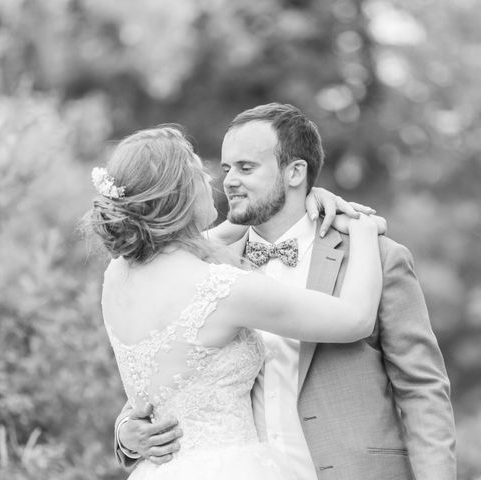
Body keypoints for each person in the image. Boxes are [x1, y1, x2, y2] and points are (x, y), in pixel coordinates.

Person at [115, 104, 456, 480]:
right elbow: (170, 370)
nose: (228, 181)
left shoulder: (377, 258)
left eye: (246, 168)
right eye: (226, 169)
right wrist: (127, 433)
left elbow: (423, 388)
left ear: (295, 172)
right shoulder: (206, 273)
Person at [90, 124, 383, 480]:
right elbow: (355, 319)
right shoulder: (221, 289)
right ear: (180, 195)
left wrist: (305, 195)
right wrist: (365, 230)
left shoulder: (117, 275)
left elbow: (200, 242)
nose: (217, 183)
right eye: (201, 173)